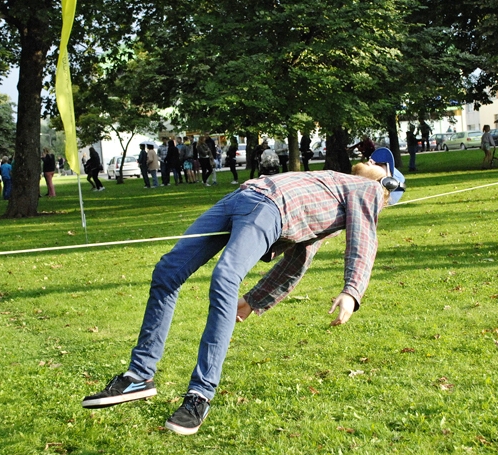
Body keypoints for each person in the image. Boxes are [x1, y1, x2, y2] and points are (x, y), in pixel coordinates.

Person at [81, 147, 407, 435]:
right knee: (167, 271)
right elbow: (297, 260)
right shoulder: (335, 185)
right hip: (241, 197)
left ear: (389, 184)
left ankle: (199, 395)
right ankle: (139, 376)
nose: (370, 161)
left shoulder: (369, 190)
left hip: (268, 208)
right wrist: (254, 301)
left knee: (224, 277)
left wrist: (352, 289)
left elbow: (363, 238)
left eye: (380, 165)